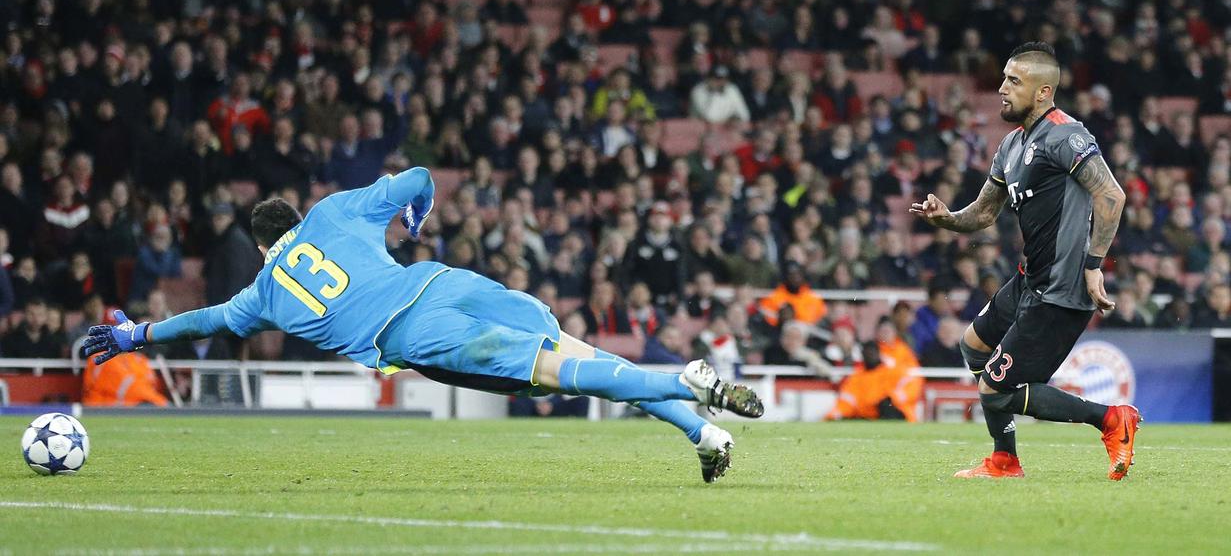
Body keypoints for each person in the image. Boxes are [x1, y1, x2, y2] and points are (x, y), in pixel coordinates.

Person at [85, 167, 763, 483]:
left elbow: (203, 321)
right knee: (577, 355)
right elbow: (417, 175)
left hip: (412, 335)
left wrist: (135, 335)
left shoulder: (259, 290)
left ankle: (685, 379)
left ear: (263, 245)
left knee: (560, 377)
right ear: (294, 220)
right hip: (440, 279)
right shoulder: (330, 211)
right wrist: (416, 218)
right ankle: (703, 433)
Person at [910, 42, 1138, 480]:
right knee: (972, 346)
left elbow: (1111, 195)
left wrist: (1093, 265)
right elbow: (985, 213)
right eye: (1003, 78)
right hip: (1029, 281)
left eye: (1013, 81)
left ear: (1043, 91)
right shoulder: (1012, 145)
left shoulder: (1066, 135)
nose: (1001, 88)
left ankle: (1111, 419)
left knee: (994, 390)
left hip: (1061, 290)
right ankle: (1004, 460)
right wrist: (946, 218)